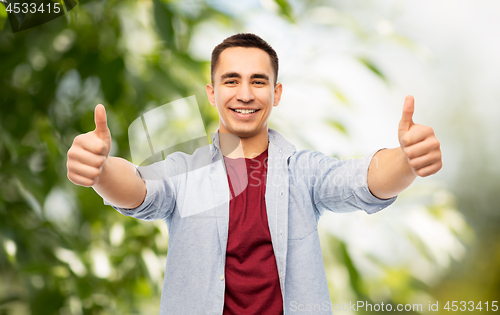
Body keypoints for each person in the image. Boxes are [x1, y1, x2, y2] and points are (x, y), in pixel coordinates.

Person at [66, 33, 442, 315]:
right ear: (212, 94)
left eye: (258, 81)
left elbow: (363, 180)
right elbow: (140, 189)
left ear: (276, 94)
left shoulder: (303, 173)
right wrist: (100, 169)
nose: (245, 94)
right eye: (231, 80)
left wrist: (407, 160)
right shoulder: (186, 173)